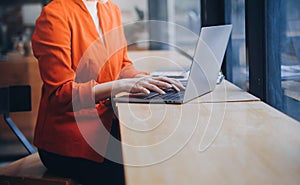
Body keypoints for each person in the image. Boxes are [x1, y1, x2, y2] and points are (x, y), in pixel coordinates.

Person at [31, 0, 184, 184]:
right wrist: (120, 86)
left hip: (107, 121)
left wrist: (142, 80)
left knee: (158, 150)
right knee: (138, 166)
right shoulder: (54, 15)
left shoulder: (110, 9)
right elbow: (61, 94)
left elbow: (122, 65)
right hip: (68, 139)